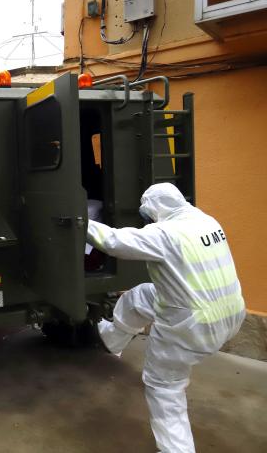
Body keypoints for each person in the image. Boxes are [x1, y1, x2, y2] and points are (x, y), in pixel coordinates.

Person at [87, 183, 245, 452]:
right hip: (230, 313)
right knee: (141, 296)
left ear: (156, 209)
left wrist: (81, 221)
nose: (146, 219)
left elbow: (113, 241)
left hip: (192, 326)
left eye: (147, 213)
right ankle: (112, 339)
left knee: (164, 387)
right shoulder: (207, 221)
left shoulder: (165, 234)